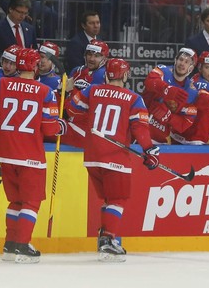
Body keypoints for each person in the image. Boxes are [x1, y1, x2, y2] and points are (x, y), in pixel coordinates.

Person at [0, 48, 61, 263]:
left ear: (18, 65)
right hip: (30, 154)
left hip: (4, 153)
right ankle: (22, 246)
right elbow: (50, 129)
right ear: (35, 67)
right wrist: (60, 125)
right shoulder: (45, 91)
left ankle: (10, 245)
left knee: (15, 201)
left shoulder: (0, 84)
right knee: (31, 202)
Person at [67, 58, 157, 262]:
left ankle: (104, 238)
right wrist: (149, 149)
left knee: (109, 199)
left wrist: (74, 91)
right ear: (126, 76)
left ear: (107, 74)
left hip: (92, 156)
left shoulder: (92, 90)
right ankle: (108, 241)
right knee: (118, 199)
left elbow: (72, 110)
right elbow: (139, 128)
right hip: (114, 155)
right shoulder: (134, 98)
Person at [143, 48, 198, 144]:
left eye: (186, 62)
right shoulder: (163, 70)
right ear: (176, 60)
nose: (182, 63)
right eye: (181, 59)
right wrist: (166, 89)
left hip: (160, 139)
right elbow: (149, 82)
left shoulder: (191, 91)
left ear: (191, 68)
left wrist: (168, 117)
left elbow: (185, 122)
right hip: (139, 129)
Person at [0, 0, 36, 66]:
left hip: (26, 72)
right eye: (20, 12)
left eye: (25, 13)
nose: (23, 16)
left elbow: (34, 50)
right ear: (10, 9)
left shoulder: (30, 29)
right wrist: (11, 60)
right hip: (5, 71)